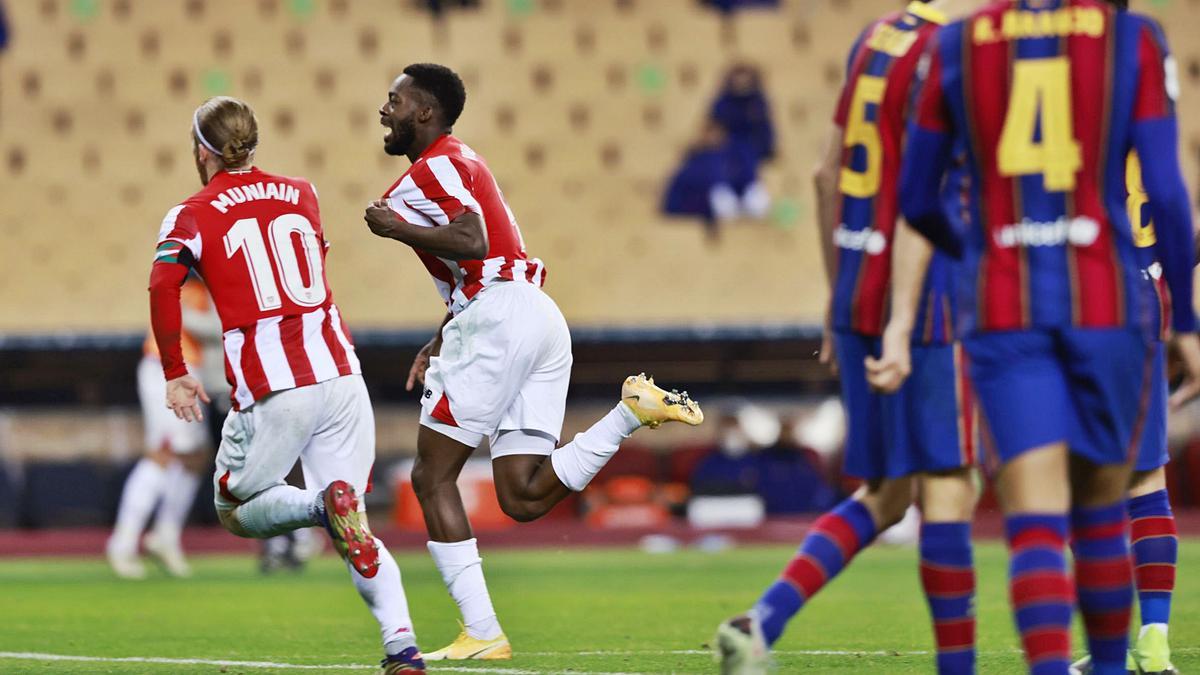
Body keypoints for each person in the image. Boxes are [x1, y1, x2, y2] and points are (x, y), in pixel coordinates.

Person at [870, 1, 1200, 673]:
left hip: (1006, 303)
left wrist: (981, 252)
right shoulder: (1131, 38)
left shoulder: (961, 41)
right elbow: (1166, 192)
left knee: (1037, 515)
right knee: (1112, 502)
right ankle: (1120, 659)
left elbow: (916, 197)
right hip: (1111, 296)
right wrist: (1187, 318)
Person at [365, 63, 704, 662]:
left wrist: (393, 228)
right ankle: (630, 413)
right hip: (538, 316)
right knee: (520, 496)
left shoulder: (431, 168)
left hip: (498, 320)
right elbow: (490, 260)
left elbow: (473, 243)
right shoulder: (464, 159)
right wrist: (442, 334)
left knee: (430, 476)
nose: (382, 111)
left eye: (393, 101)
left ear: (424, 112)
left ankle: (482, 631)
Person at [715, 3, 981, 673]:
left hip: (859, 286)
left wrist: (843, 299)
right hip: (921, 302)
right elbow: (929, 197)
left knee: (889, 493)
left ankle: (760, 620)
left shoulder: (877, 38)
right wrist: (900, 317)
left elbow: (824, 175)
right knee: (949, 484)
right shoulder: (950, 50)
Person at [149, 96, 426, 674]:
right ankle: (402, 645)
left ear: (203, 149)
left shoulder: (190, 213)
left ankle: (320, 506)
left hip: (275, 382)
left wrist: (176, 371)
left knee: (234, 505)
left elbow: (161, 287)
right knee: (358, 531)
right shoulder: (302, 191)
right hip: (341, 371)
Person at [107, 276, 223, 579]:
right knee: (164, 452)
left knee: (196, 457)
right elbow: (193, 323)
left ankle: (165, 535)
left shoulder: (205, 286)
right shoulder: (180, 282)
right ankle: (123, 542)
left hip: (190, 371)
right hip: (168, 368)